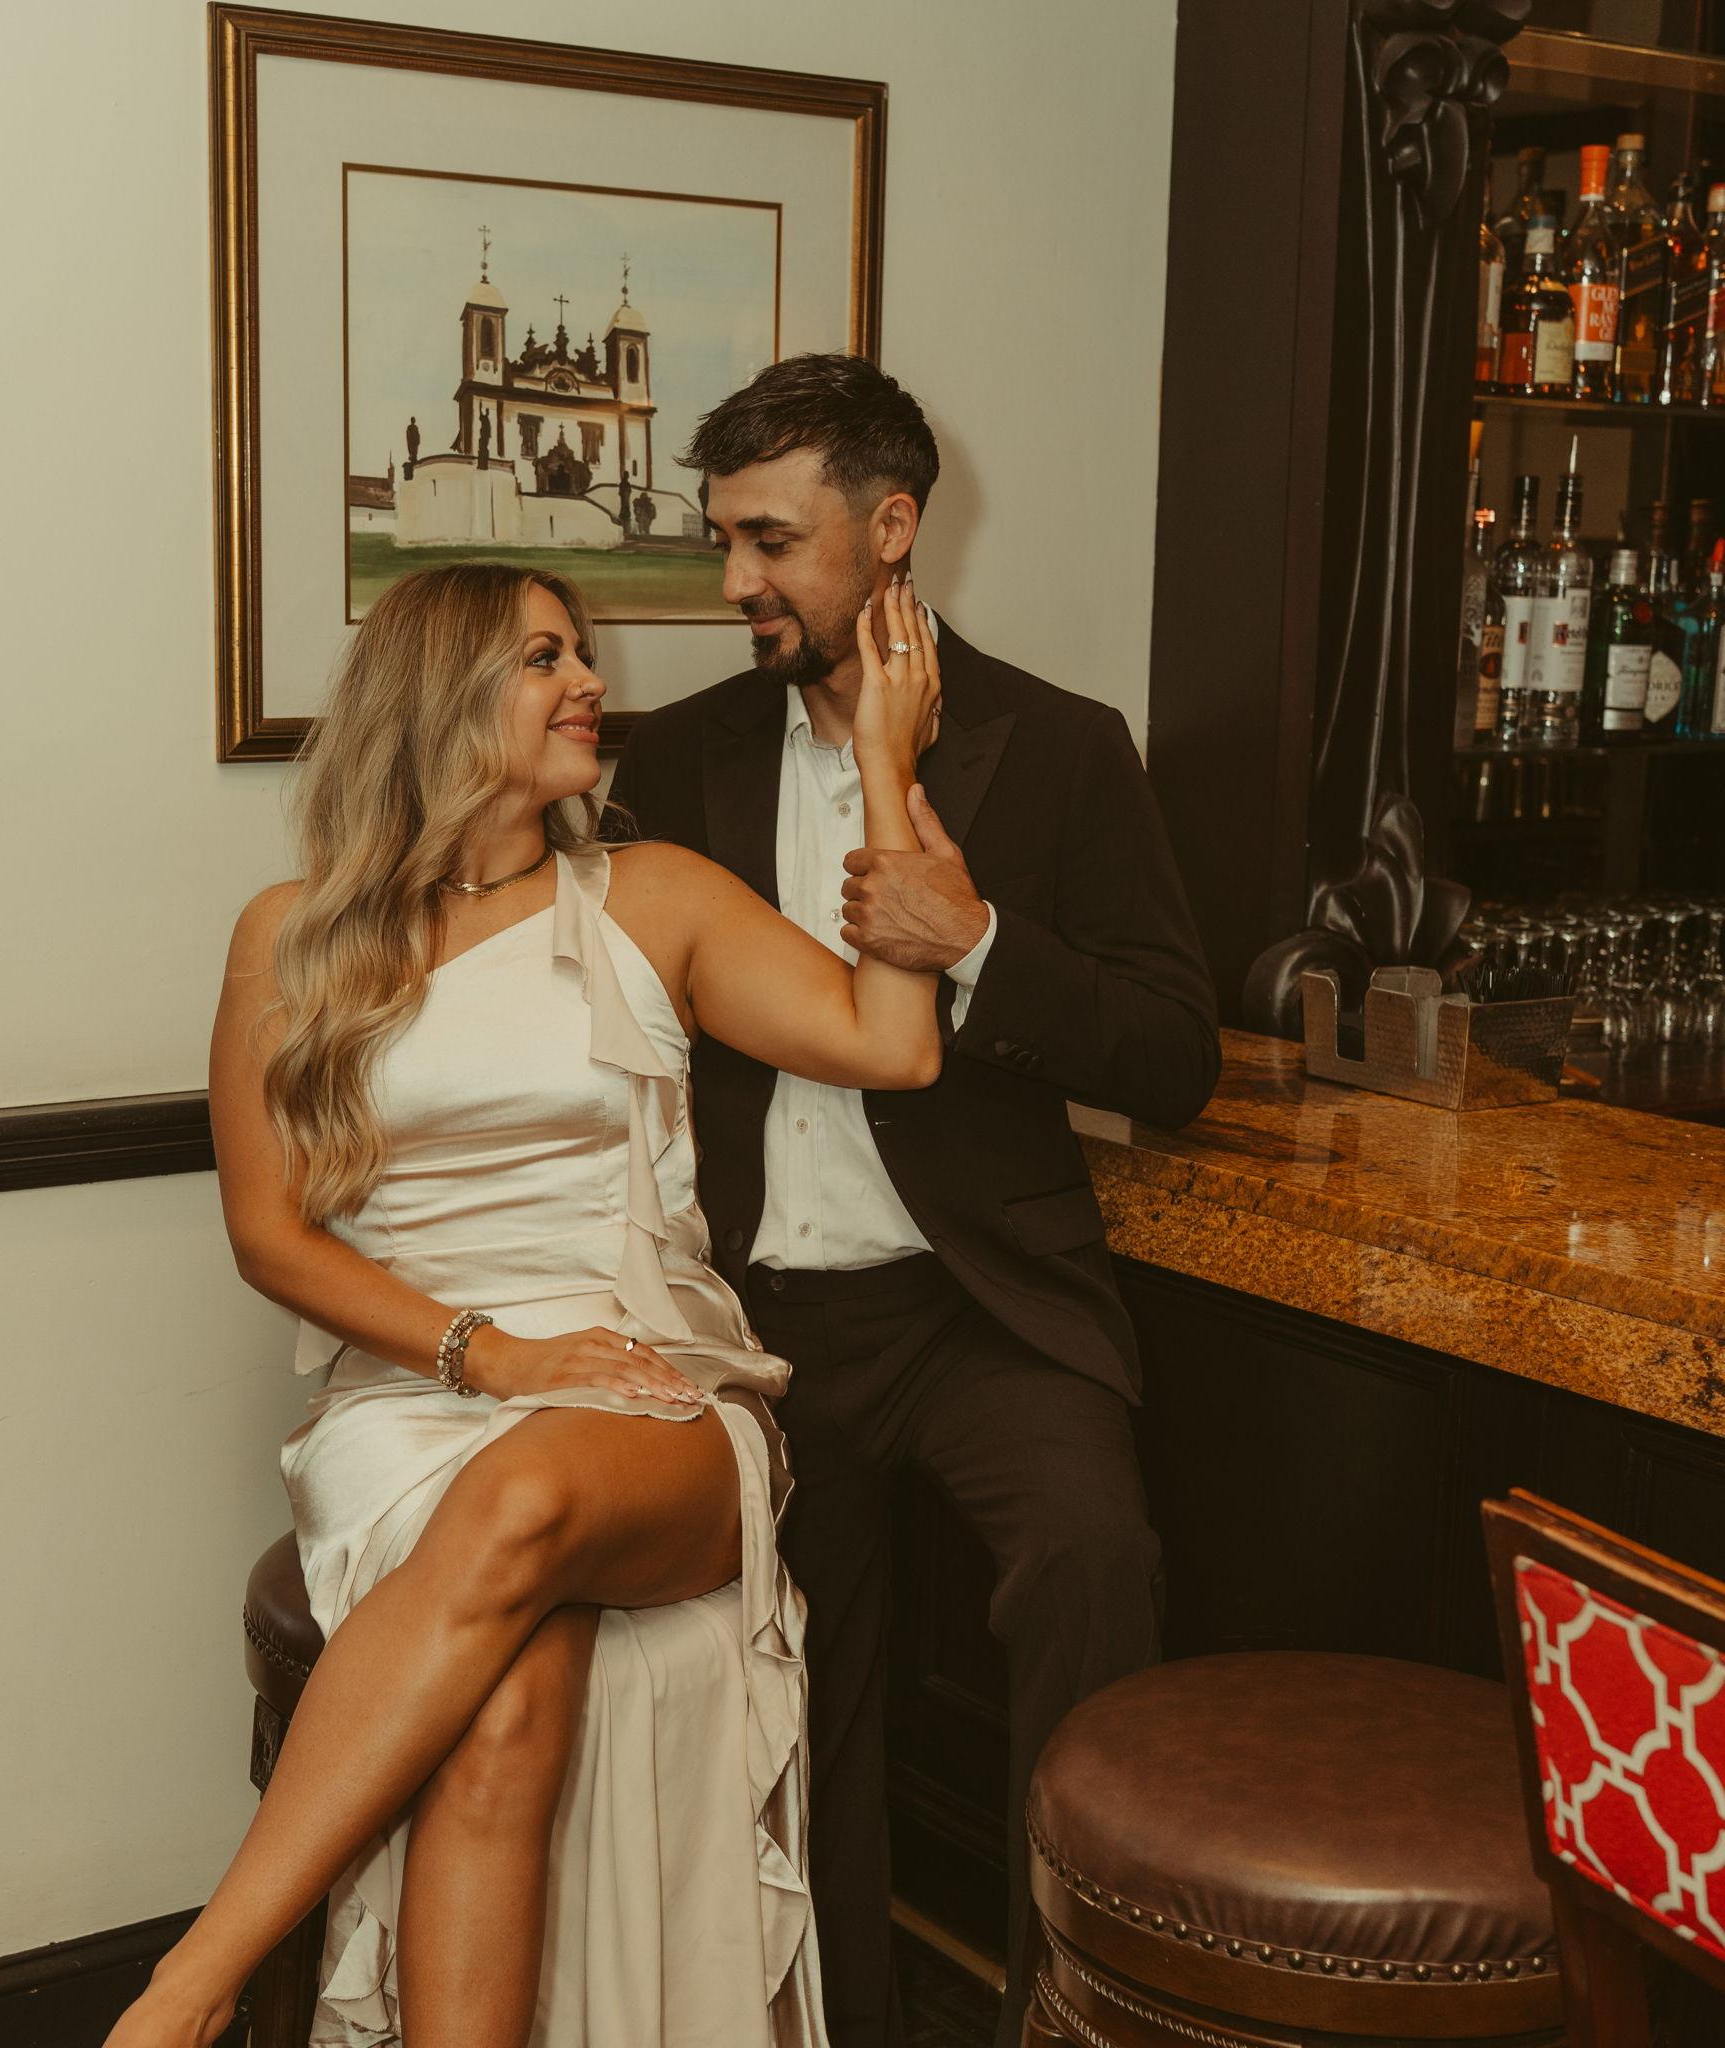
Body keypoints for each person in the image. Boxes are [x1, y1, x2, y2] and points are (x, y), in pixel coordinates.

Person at [105, 560, 946, 2048]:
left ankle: (193, 1982)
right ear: (440, 697)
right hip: (412, 1395)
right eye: (546, 658)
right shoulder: (289, 934)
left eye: (582, 653)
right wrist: (487, 1356)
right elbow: (267, 1235)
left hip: (641, 1382)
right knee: (501, 1709)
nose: (591, 685)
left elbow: (896, 1044)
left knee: (528, 1494)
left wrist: (886, 765)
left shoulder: (655, 896)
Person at [607, 353, 1220, 2048]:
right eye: (725, 540)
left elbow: (1175, 1053)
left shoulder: (1066, 747)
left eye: (770, 542)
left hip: (982, 1306)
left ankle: (1070, 2013)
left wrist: (983, 945)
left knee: (1095, 1560)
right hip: (759, 1321)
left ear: (892, 530)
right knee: (806, 1693)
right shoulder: (678, 756)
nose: (734, 583)